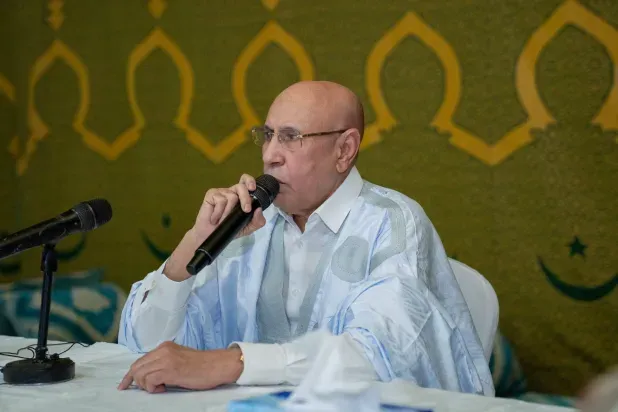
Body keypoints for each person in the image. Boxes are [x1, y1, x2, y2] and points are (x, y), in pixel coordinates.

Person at [116, 81, 494, 396]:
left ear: (344, 150)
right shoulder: (248, 225)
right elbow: (145, 345)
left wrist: (234, 362)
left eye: (290, 137)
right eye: (267, 136)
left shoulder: (392, 222)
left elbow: (380, 353)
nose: (270, 155)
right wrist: (195, 240)